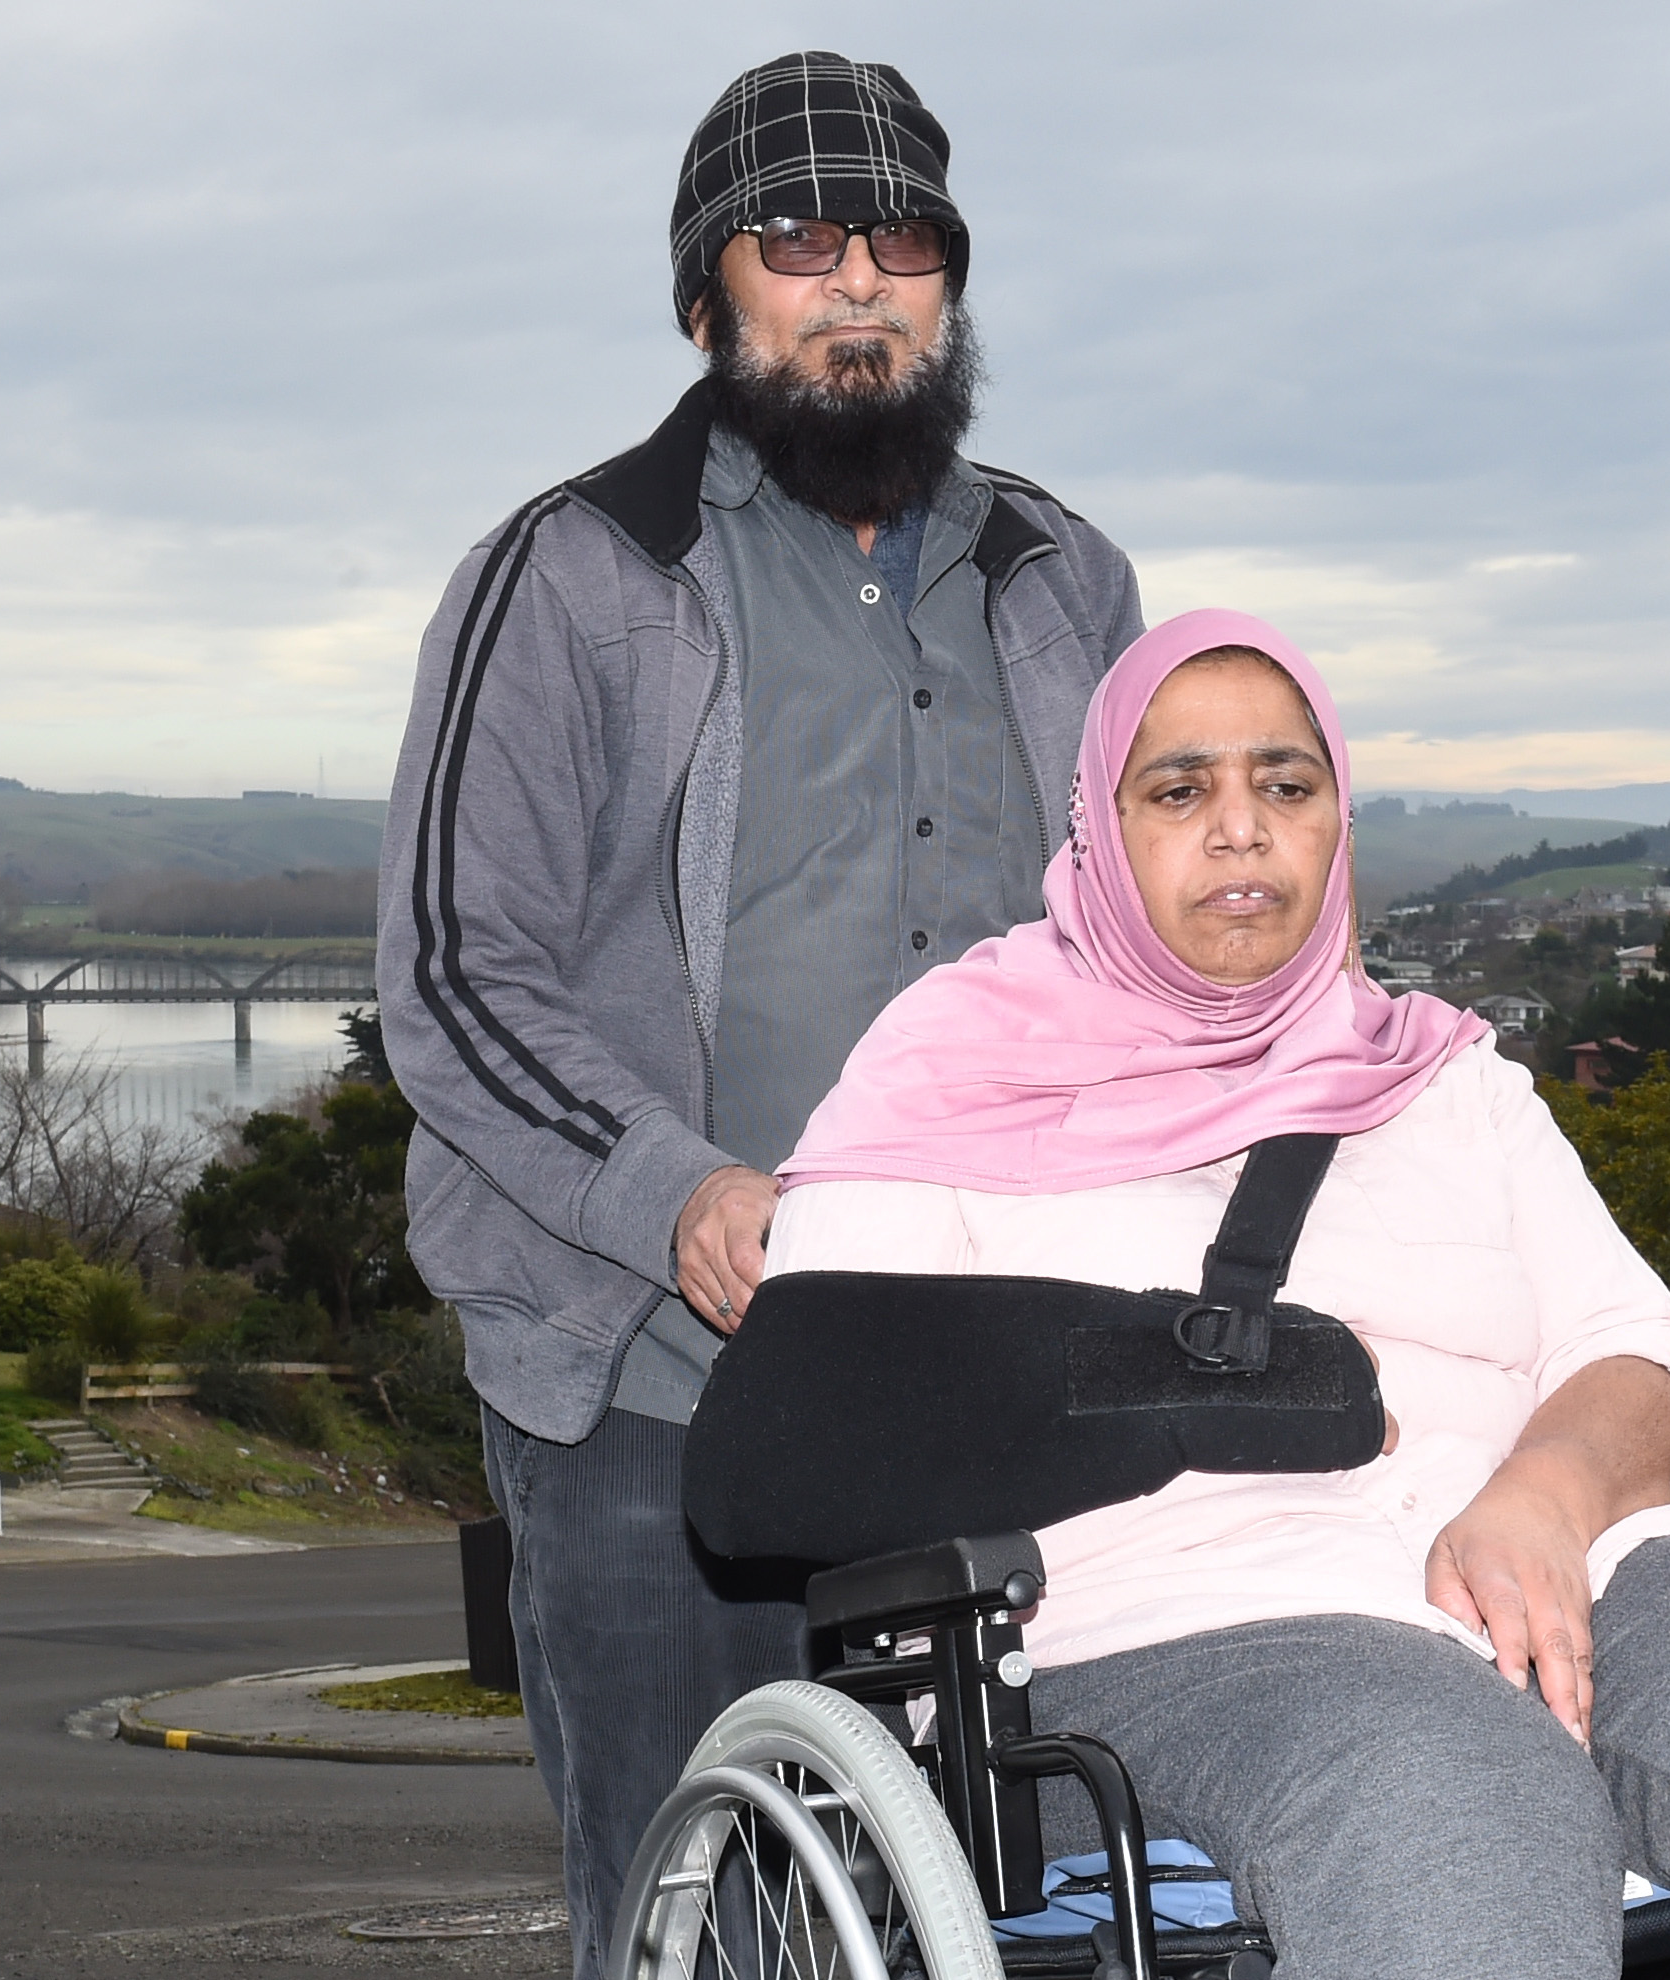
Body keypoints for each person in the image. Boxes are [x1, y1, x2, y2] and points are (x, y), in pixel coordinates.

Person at [761, 609, 1670, 1980]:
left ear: (1333, 823)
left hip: (1545, 1580)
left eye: (1286, 785)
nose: (1240, 828)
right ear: (1100, 829)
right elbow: (822, 1421)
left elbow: (1632, 1347)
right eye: (1180, 789)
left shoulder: (1443, 1080)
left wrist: (1545, 1491)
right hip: (1159, 1633)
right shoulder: (944, 1073)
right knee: (1454, 1782)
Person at [373, 51, 1145, 1975]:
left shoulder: (1065, 579)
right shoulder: (569, 577)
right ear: (708, 292)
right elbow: (455, 975)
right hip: (652, 1379)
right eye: (797, 239)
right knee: (691, 1911)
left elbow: (1147, 944)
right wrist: (681, 1190)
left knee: (1012, 1907)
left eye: (905, 239)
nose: (857, 279)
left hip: (989, 1373)